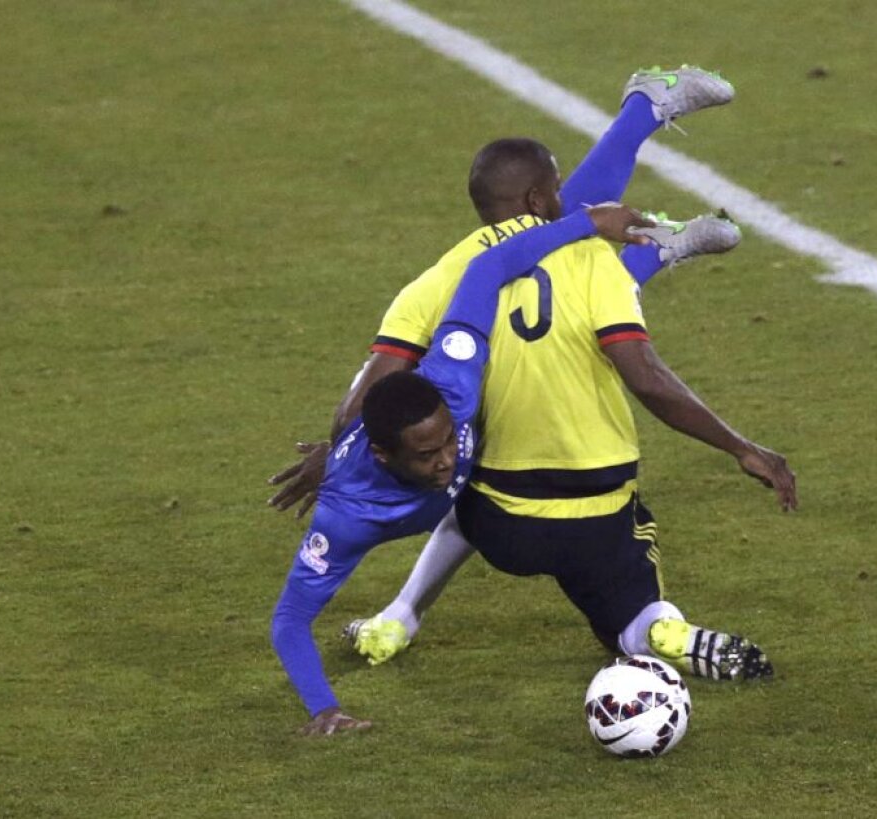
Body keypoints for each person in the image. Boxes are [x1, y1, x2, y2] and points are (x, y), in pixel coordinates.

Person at [270, 66, 797, 686]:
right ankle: (654, 233)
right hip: (601, 505)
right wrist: (742, 448)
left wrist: (339, 450)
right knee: (623, 624)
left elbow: (379, 386)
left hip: (504, 521)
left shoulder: (441, 280)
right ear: (540, 201)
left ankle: (400, 615)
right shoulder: (587, 247)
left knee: (452, 469)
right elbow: (645, 376)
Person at [270, 204, 653, 735]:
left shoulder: (453, 370)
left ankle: (650, 259)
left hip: (487, 475)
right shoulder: (346, 518)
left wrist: (589, 224)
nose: (446, 456)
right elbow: (289, 622)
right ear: (384, 455)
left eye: (449, 438)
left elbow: (487, 268)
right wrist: (324, 708)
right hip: (421, 488)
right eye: (427, 454)